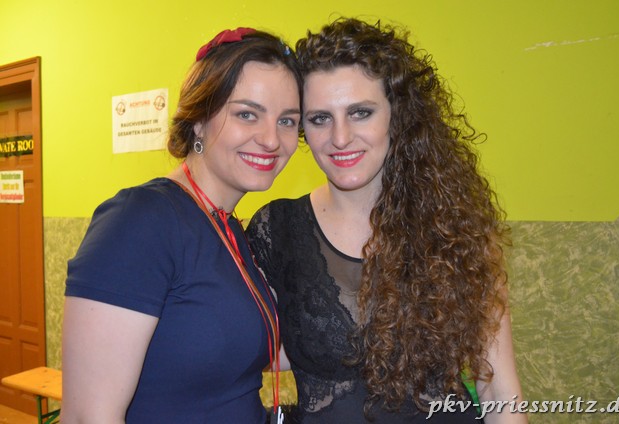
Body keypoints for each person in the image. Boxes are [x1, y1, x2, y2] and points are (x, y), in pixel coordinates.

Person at [246, 18, 527, 423]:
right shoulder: (276, 229)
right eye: (320, 118)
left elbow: (501, 392)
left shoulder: (455, 227)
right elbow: (255, 351)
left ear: (397, 115)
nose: (340, 137)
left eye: (360, 112)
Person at [61, 27, 301, 424]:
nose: (272, 139)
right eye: (247, 114)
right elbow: (88, 416)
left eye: (288, 120)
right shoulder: (142, 221)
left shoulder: (227, 228)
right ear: (199, 120)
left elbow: (241, 346)